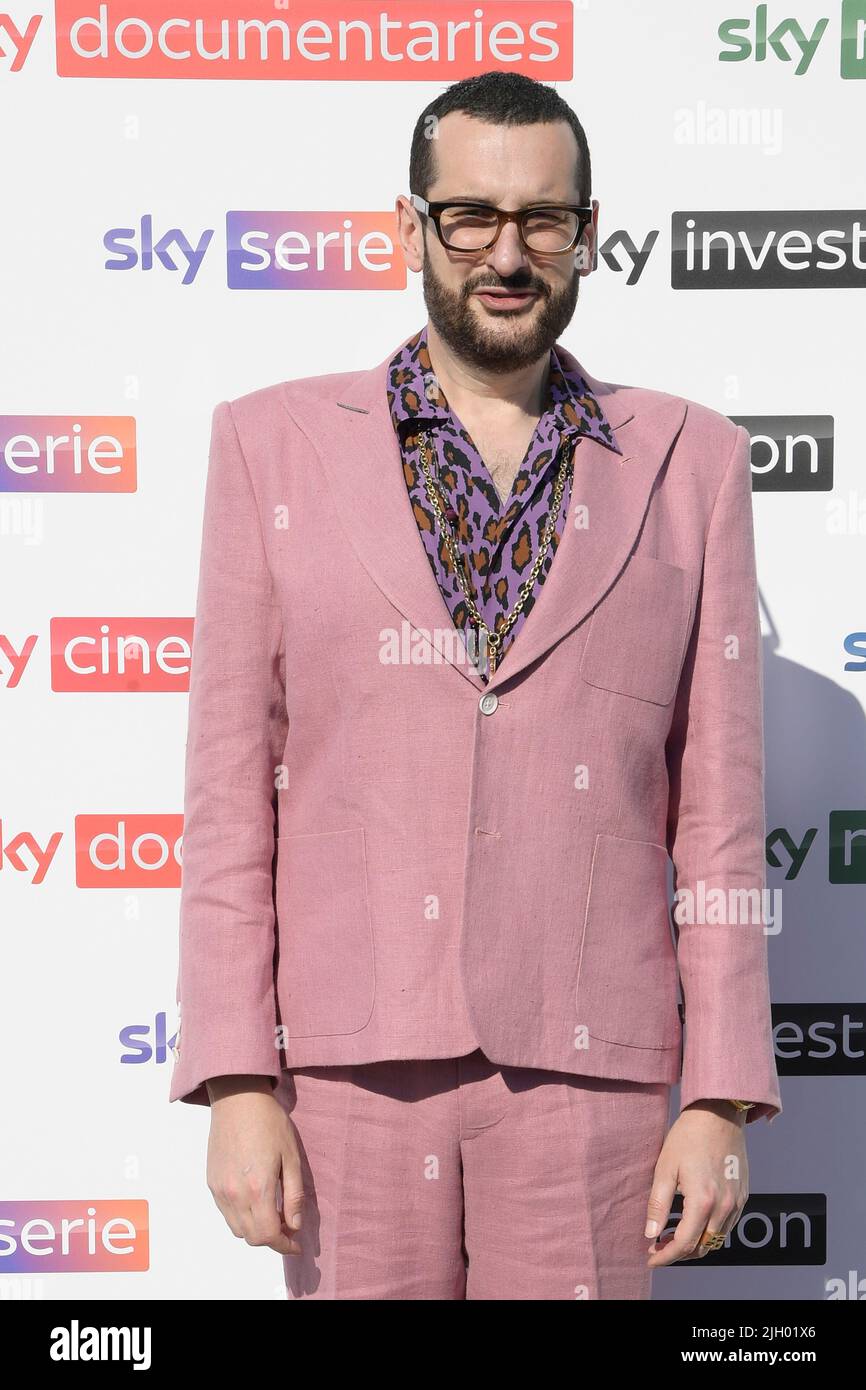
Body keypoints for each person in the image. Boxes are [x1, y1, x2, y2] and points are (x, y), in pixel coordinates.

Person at [170, 70, 781, 1300]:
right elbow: (231, 792)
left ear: (587, 236)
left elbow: (715, 816)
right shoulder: (267, 444)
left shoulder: (688, 459)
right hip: (348, 1080)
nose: (507, 253)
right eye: (469, 217)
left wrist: (716, 1093)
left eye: (541, 221)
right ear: (410, 229)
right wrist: (239, 1083)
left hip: (588, 1083)